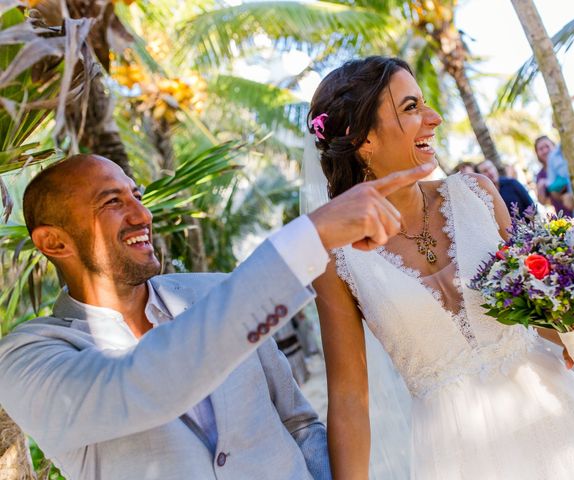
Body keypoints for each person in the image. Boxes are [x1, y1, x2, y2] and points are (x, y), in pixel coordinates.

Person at [0, 153, 433, 479]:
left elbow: (298, 423)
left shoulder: (217, 292)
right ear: (54, 243)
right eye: (112, 201)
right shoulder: (25, 358)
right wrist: (309, 236)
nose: (142, 215)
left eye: (137, 195)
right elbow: (140, 384)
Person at [307, 56, 574, 479]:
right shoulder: (336, 257)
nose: (434, 118)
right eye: (411, 108)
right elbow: (350, 398)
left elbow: (536, 315)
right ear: (362, 139)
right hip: (457, 451)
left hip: (556, 413)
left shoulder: (478, 194)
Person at [534, 135, 565, 213]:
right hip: (562, 215)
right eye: (541, 149)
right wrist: (540, 187)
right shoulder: (540, 175)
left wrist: (548, 182)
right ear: (537, 153)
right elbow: (542, 201)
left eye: (547, 146)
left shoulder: (563, 164)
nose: (545, 151)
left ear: (554, 147)